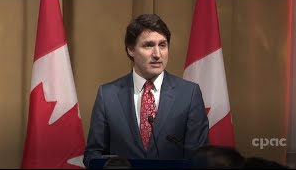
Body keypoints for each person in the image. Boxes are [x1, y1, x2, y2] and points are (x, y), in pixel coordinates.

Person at [83, 14, 209, 168]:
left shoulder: (189, 94)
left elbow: (200, 157)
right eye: (148, 45)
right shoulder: (107, 95)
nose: (157, 54)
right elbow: (92, 154)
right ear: (130, 49)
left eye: (162, 45)